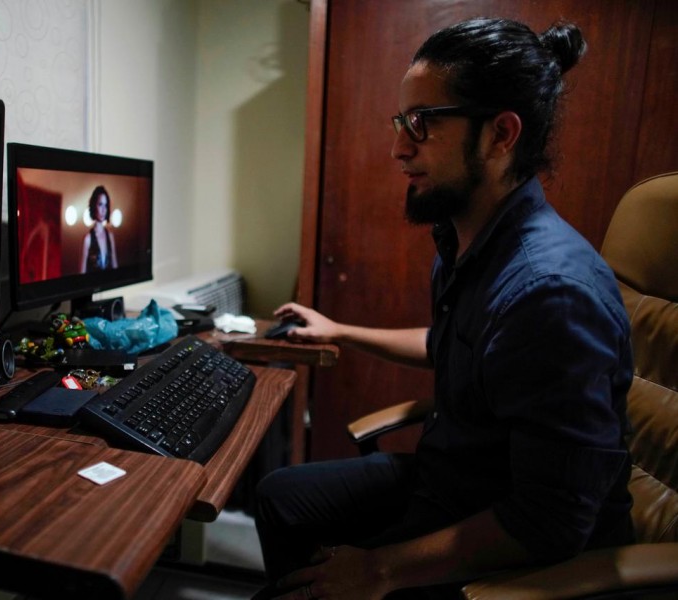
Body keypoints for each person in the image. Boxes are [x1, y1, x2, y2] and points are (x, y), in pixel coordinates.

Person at [254, 18, 634, 600]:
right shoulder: (471, 241)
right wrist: (340, 331)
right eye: (401, 121)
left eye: (422, 124)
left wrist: (380, 571)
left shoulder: (550, 294)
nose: (399, 146)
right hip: (454, 480)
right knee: (281, 496)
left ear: (500, 134)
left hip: (512, 536)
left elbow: (551, 519)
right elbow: (447, 344)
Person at [80, 185, 118, 273]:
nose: (103, 210)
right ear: (94, 206)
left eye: (106, 205)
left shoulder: (110, 236)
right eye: (100, 204)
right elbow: (81, 273)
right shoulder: (88, 239)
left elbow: (115, 267)